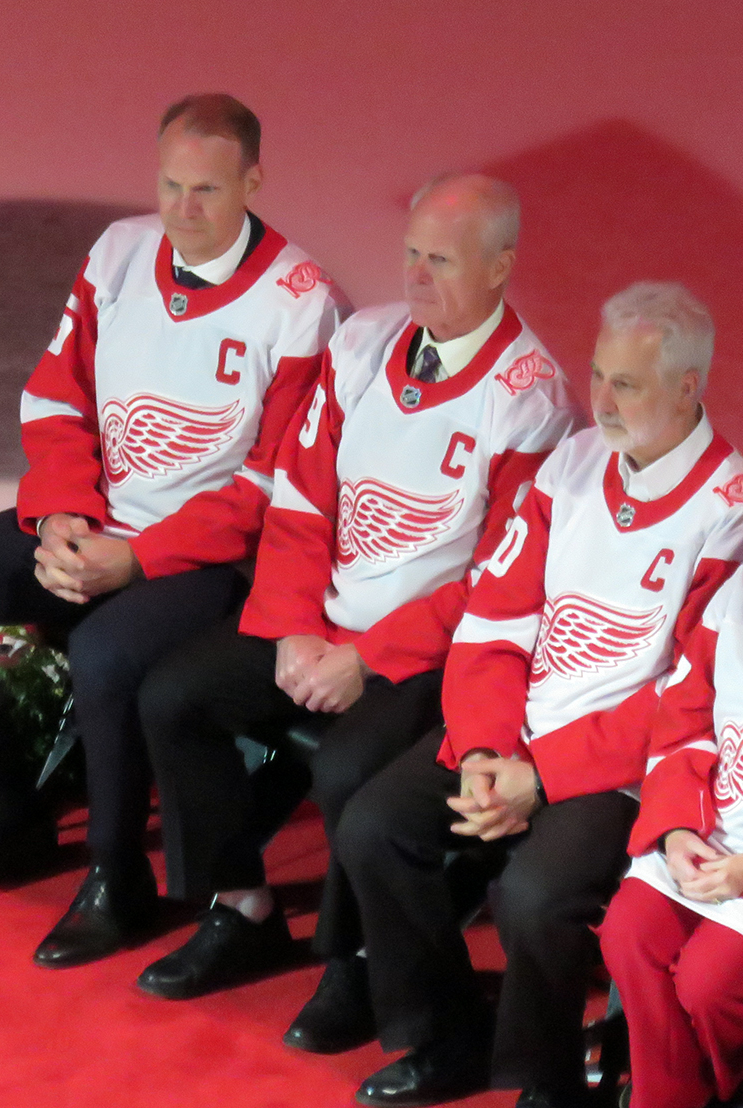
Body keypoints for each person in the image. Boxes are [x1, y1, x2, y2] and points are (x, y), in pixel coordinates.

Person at [0, 93, 349, 969]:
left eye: (207, 190)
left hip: (205, 559)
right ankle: (11, 813)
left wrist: (137, 558)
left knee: (106, 655)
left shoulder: (300, 303)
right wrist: (62, 513)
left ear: (254, 180)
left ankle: (115, 874)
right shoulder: (118, 253)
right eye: (170, 185)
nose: (183, 210)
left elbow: (274, 485)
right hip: (94, 518)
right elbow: (58, 393)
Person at [133, 174, 580, 1012]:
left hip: (426, 656)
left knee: (347, 768)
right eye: (410, 254)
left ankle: (355, 961)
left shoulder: (531, 400)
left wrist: (366, 660)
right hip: (322, 622)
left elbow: (501, 581)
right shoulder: (364, 345)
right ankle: (240, 907)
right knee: (175, 696)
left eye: (440, 260)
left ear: (500, 268)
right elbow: (301, 501)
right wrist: (297, 630)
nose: (415, 277)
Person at [333, 281, 743, 1108]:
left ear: (689, 386)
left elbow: (686, 696)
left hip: (616, 769)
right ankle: (446, 1037)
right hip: (514, 733)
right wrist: (486, 747)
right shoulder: (574, 460)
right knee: (374, 827)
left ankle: (546, 1082)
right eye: (598, 374)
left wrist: (544, 775)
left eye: (625, 383)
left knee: (533, 897)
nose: (600, 399)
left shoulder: (726, 506)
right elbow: (494, 615)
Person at [601, 561, 743, 1108]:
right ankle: (666, 1096)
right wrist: (677, 828)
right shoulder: (733, 597)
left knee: (709, 984)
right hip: (716, 828)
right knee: (629, 932)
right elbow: (685, 718)